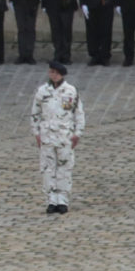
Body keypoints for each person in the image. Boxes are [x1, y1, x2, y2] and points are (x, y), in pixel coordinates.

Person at [31, 60, 85, 215]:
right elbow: (35, 113)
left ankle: (62, 199)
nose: (52, 75)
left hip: (64, 136)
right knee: (48, 169)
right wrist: (36, 133)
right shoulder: (42, 91)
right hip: (47, 135)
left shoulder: (70, 91)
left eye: (55, 73)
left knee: (64, 168)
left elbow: (78, 113)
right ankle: (51, 200)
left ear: (61, 74)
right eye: (51, 72)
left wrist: (77, 133)